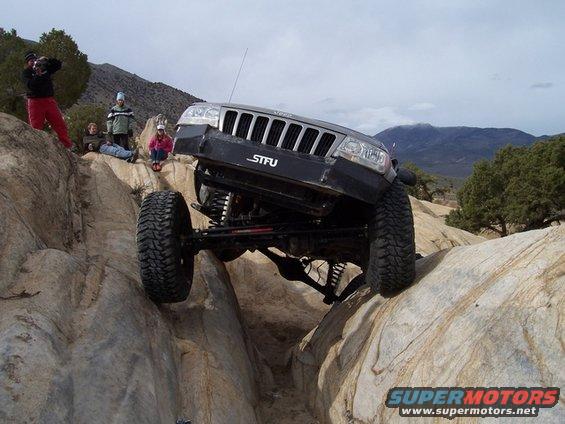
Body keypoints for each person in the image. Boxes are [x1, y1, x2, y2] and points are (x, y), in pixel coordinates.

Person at [21, 52, 73, 149]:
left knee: (59, 124)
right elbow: (31, 86)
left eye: (35, 60)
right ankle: (36, 148)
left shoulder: (45, 68)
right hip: (35, 102)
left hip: (49, 100)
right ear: (27, 63)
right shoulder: (26, 72)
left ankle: (67, 146)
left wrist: (47, 60)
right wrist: (38, 75)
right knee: (36, 127)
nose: (33, 62)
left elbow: (58, 65)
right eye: (31, 61)